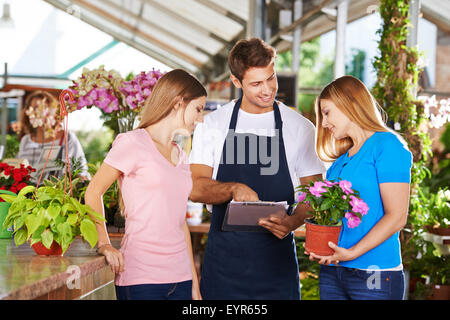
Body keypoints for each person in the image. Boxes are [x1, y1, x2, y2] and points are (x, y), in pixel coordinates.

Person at [189, 38, 326, 299]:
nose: (267, 90)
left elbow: (314, 192)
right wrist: (232, 188)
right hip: (224, 269)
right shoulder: (213, 125)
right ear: (236, 81)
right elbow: (196, 187)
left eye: (270, 78)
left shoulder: (299, 127)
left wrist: (294, 220)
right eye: (255, 83)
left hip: (277, 268)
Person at [84, 69, 206, 300]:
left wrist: (194, 283)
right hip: (141, 278)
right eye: (198, 109)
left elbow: (180, 224)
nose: (200, 118)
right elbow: (93, 192)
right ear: (178, 103)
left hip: (181, 278)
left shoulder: (180, 155)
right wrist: (104, 244)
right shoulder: (132, 143)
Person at [308, 75, 413, 300]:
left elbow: (397, 217)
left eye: (326, 112)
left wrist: (352, 253)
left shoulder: (388, 146)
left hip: (374, 273)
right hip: (334, 271)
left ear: (351, 104)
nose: (324, 123)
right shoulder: (340, 161)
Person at [17, 90, 90, 179]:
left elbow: (81, 168)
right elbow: (20, 168)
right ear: (28, 112)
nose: (39, 112)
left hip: (59, 190)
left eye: (44, 107)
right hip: (29, 190)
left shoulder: (67, 137)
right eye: (35, 107)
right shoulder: (26, 140)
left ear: (52, 110)